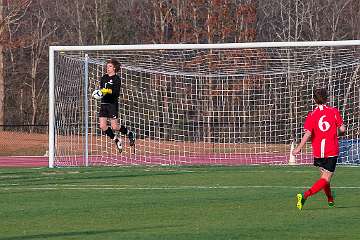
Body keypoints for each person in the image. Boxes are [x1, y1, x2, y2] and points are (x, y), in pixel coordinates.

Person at [292, 88, 345, 210]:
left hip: (318, 152)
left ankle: (330, 199)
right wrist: (336, 133)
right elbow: (342, 129)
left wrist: (298, 148)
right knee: (326, 178)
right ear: (327, 98)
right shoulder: (333, 111)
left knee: (324, 179)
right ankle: (304, 195)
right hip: (331, 150)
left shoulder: (312, 115)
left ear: (313, 100)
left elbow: (308, 133)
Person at [97, 58, 135, 152]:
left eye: (110, 66)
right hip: (103, 104)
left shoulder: (117, 79)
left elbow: (116, 93)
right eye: (107, 66)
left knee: (114, 127)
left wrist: (108, 91)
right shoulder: (103, 78)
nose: (108, 68)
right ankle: (116, 140)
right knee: (102, 126)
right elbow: (101, 90)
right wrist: (99, 93)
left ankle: (130, 133)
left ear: (114, 68)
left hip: (112, 104)